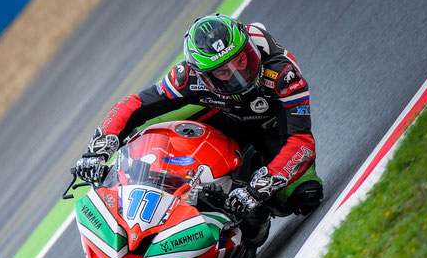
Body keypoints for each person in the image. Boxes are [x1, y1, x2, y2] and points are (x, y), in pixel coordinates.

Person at [74, 13, 323, 245]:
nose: (240, 75)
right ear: (203, 76)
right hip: (221, 113)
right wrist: (99, 148)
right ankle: (150, 184)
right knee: (146, 125)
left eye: (242, 59)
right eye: (224, 72)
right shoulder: (188, 77)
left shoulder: (282, 73)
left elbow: (301, 142)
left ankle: (256, 188)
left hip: (271, 126)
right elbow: (135, 104)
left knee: (305, 195)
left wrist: (260, 187)